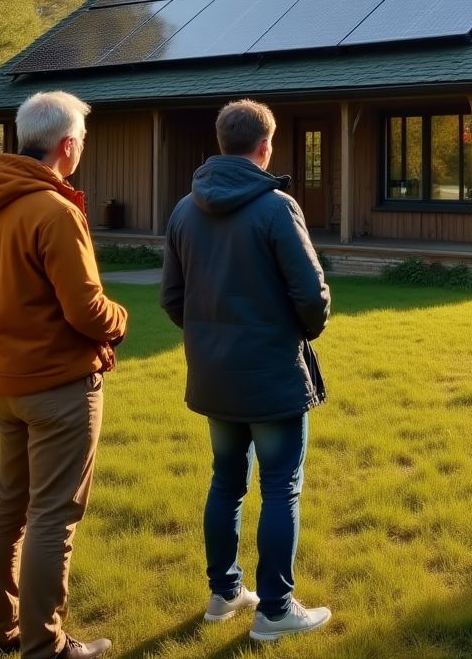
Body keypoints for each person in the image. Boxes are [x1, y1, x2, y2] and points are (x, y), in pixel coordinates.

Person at [160, 99, 332, 644]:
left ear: (221, 140)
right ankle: (275, 610)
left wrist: (209, 338)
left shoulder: (184, 209)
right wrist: (300, 329)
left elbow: (171, 298)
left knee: (226, 481)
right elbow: (311, 294)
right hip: (271, 372)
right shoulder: (277, 207)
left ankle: (224, 593)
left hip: (214, 374)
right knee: (281, 486)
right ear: (266, 145)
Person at [0, 91, 128, 659]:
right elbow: (86, 309)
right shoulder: (54, 210)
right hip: (59, 384)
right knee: (54, 516)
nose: (80, 148)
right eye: (81, 140)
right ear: (67, 144)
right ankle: (46, 646)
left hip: (5, 381)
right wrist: (121, 320)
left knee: (8, 505)